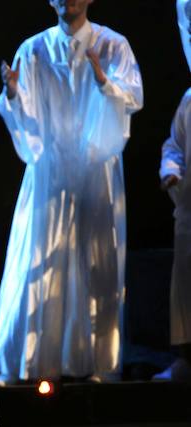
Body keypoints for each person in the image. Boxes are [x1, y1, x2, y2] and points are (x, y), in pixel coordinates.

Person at [0, 0, 143, 385]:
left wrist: (103, 81)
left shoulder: (112, 44)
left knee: (95, 261)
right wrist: (13, 94)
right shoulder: (34, 48)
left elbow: (132, 98)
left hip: (95, 169)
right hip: (50, 171)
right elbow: (26, 118)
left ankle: (97, 363)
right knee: (38, 261)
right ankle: (29, 362)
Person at [154, 0, 191, 383]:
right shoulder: (189, 100)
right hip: (190, 213)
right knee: (185, 287)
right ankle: (186, 357)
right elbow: (174, 146)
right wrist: (172, 170)